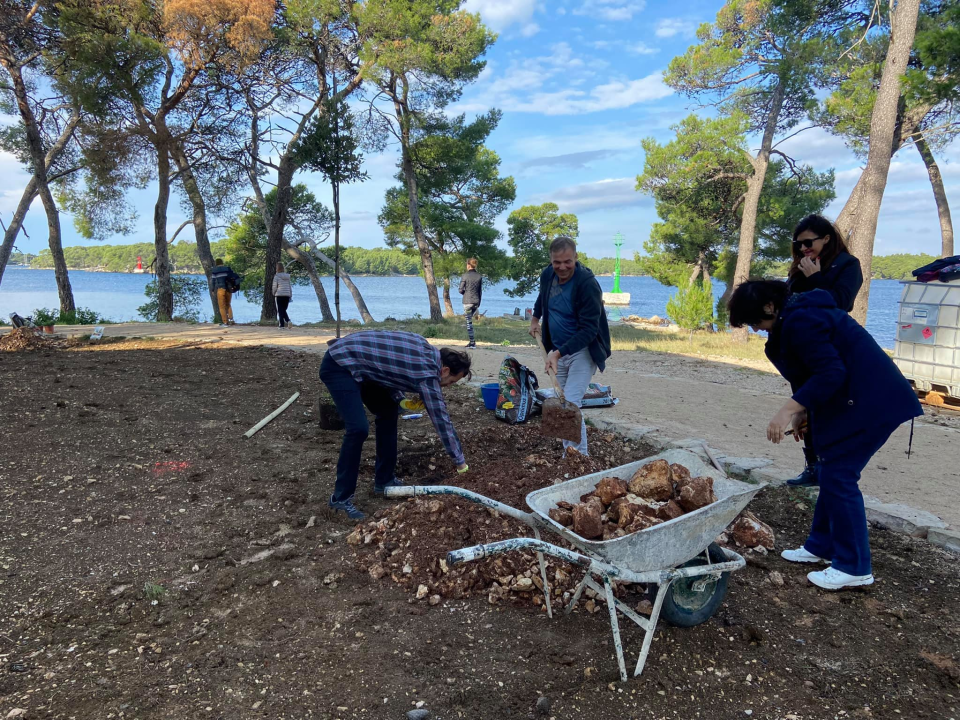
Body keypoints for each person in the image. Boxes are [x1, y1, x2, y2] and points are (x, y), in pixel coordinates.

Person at [728, 281, 922, 590]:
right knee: (832, 469)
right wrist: (805, 411)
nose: (757, 329)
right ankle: (821, 546)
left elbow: (831, 372)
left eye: (756, 322)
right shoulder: (797, 317)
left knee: (840, 475)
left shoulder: (802, 320)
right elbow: (813, 371)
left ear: (769, 307)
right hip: (862, 399)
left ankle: (854, 566)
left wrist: (787, 411)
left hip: (876, 402)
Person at [320, 331, 472, 520]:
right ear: (446, 370)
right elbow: (441, 420)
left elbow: (387, 366)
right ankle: (339, 500)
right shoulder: (427, 373)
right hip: (340, 365)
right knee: (358, 429)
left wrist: (400, 400)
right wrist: (460, 463)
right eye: (449, 382)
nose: (445, 386)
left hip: (363, 367)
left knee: (388, 411)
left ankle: (384, 481)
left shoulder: (425, 348)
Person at [785, 215, 864, 489]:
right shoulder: (799, 267)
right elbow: (791, 301)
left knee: (831, 404)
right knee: (805, 403)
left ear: (827, 238)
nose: (804, 249)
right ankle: (812, 466)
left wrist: (815, 278)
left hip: (834, 345)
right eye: (799, 244)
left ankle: (831, 467)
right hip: (804, 345)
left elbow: (841, 303)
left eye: (809, 242)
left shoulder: (848, 265)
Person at [529, 236, 611, 457]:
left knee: (570, 405)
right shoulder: (548, 274)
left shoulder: (587, 285)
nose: (562, 267)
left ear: (575, 257)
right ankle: (574, 455)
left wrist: (557, 353)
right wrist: (535, 319)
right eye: (557, 262)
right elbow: (542, 297)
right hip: (556, 350)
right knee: (567, 406)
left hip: (582, 351)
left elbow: (589, 330)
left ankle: (577, 458)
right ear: (551, 260)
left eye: (567, 261)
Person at [210, 258, 242, 327]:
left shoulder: (214, 270)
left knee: (221, 306)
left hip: (221, 289)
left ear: (216, 263)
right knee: (228, 304)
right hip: (229, 289)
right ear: (222, 262)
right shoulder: (227, 269)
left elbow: (213, 281)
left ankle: (225, 322)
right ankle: (231, 320)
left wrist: (212, 290)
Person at [459, 258, 482, 349]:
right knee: (470, 320)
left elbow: (460, 289)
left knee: (468, 322)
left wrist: (465, 293)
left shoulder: (465, 276)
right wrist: (479, 302)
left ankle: (472, 343)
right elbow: (480, 291)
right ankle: (472, 342)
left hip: (467, 301)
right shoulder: (479, 276)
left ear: (468, 265)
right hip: (476, 301)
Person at [272, 262, 293, 328]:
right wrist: (290, 294)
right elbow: (289, 286)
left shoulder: (276, 276)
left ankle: (283, 324)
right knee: (283, 310)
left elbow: (274, 286)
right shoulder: (288, 276)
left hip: (279, 295)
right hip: (287, 295)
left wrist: (273, 292)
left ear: (277, 268)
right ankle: (287, 322)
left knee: (280, 310)